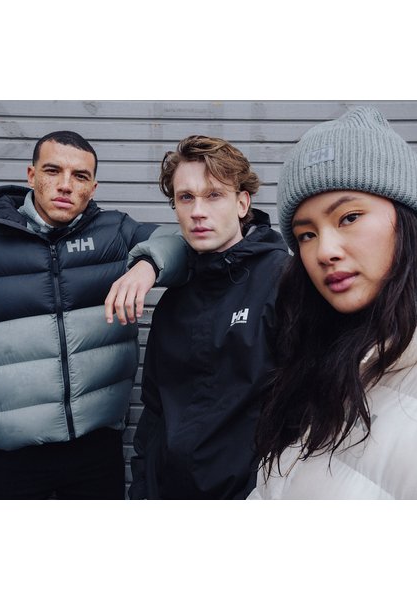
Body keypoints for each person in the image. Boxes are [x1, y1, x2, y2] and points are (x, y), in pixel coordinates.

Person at [0, 130, 185, 500]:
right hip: (8, 457)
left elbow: (182, 241)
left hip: (96, 451)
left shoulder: (115, 233)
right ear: (31, 175)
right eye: (53, 171)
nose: (66, 185)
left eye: (80, 176)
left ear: (93, 188)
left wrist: (148, 264)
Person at [249, 106, 417, 500]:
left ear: (407, 219)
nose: (325, 251)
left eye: (349, 217)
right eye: (306, 235)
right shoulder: (325, 358)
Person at [120, 135, 289, 499]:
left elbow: (306, 410)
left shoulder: (283, 281)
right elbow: (154, 412)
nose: (198, 211)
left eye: (213, 195)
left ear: (242, 203)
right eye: (186, 197)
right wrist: (143, 491)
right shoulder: (174, 298)